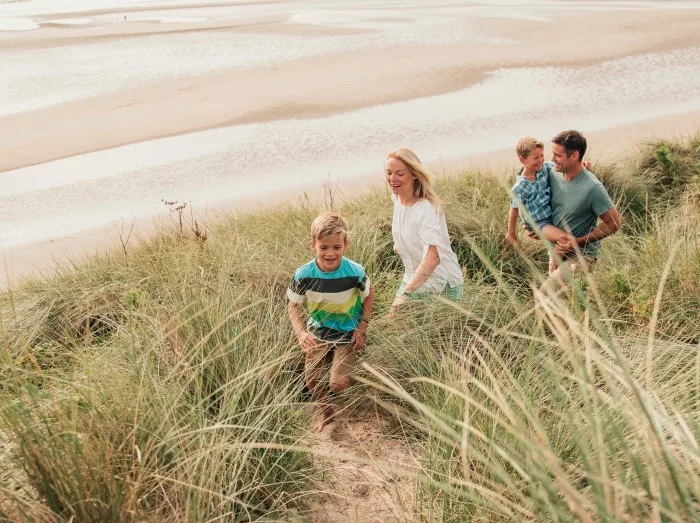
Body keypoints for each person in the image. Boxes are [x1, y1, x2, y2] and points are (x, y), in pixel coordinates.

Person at [287, 212, 375, 432]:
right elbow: (293, 305)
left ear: (346, 244)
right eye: (323, 247)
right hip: (318, 332)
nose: (330, 253)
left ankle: (342, 364)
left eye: (336, 247)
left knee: (338, 384)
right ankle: (326, 411)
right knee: (313, 380)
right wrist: (301, 334)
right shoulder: (304, 274)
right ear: (313, 245)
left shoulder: (355, 271)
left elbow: (370, 293)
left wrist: (362, 327)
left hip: (347, 332)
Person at [530, 130, 622, 297]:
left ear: (574, 156)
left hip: (582, 256)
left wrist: (577, 242)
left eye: (557, 155)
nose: (552, 159)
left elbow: (614, 223)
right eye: (552, 154)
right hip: (557, 250)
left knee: (543, 296)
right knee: (565, 304)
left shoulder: (593, 188)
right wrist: (533, 226)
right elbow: (526, 183)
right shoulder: (552, 173)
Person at [386, 148, 463, 313]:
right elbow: (407, 228)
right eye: (389, 173)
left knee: (440, 335)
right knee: (394, 320)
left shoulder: (425, 209)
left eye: (400, 174)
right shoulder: (397, 199)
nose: (392, 179)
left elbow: (433, 257)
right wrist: (400, 245)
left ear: (414, 174)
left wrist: (405, 294)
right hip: (414, 275)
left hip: (442, 282)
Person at [505, 136, 591, 247]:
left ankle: (556, 263)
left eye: (542, 155)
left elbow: (561, 166)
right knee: (566, 240)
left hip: (552, 216)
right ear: (523, 160)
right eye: (536, 158)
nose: (540, 159)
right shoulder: (520, 186)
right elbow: (514, 208)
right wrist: (511, 233)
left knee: (569, 235)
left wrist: (580, 165)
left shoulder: (544, 168)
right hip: (538, 223)